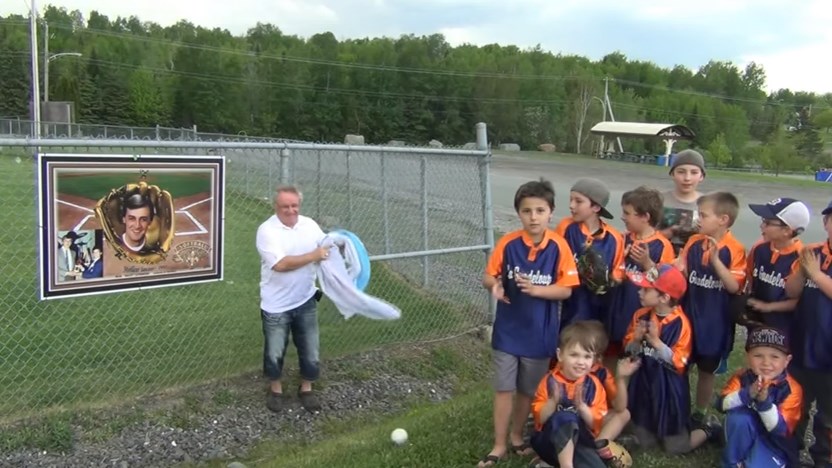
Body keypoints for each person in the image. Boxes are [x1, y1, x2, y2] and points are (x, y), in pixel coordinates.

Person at [478, 179, 579, 467]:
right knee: (503, 388)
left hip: (540, 334)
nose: (533, 217)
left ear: (551, 212)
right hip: (508, 332)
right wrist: (494, 286)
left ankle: (516, 436)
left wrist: (536, 290)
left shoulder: (559, 247)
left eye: (539, 210)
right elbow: (488, 276)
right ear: (518, 214)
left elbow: (567, 288)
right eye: (526, 211)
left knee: (527, 390)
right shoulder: (508, 243)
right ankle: (498, 445)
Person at [622, 264, 718, 454]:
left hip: (670, 390)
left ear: (665, 297)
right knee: (644, 441)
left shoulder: (680, 323)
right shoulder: (640, 315)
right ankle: (644, 430)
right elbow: (629, 352)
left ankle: (709, 429)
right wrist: (635, 339)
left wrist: (657, 343)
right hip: (644, 383)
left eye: (646, 289)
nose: (639, 292)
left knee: (675, 447)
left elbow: (679, 363)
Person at [256, 184, 330, 413]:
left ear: (300, 205)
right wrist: (314, 255)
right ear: (276, 206)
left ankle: (306, 388)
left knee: (310, 348)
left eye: (294, 205)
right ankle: (276, 390)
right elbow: (280, 264)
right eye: (285, 206)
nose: (291, 210)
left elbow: (326, 246)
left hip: (305, 299)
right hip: (275, 305)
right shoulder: (267, 230)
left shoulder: (310, 225)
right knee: (275, 350)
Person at [677, 191, 747, 425]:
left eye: (704, 215)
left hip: (715, 324)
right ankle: (678, 406)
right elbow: (682, 271)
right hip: (689, 317)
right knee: (681, 366)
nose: (698, 219)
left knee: (707, 371)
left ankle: (700, 412)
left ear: (723, 219)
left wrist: (716, 261)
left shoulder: (735, 248)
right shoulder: (694, 241)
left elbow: (734, 286)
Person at [605, 186, 674, 369]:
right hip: (615, 309)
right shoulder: (623, 238)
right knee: (610, 355)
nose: (623, 217)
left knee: (633, 359)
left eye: (628, 213)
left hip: (637, 313)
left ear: (645, 217)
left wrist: (647, 263)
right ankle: (609, 392)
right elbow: (613, 273)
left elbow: (666, 284)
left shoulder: (662, 245)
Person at [785, 199, 832, 466]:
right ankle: (790, 453)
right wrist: (803, 273)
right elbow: (791, 292)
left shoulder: (817, 266)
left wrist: (816, 275)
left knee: (827, 416)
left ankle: (823, 459)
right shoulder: (813, 252)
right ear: (825, 222)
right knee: (796, 405)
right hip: (803, 345)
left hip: (829, 355)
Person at [715, 326, 802, 467]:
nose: (766, 362)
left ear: (787, 360)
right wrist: (746, 394)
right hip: (745, 431)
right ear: (747, 357)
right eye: (758, 355)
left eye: (775, 356)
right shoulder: (741, 377)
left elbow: (780, 430)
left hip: (775, 444)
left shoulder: (793, 389)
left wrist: (764, 403)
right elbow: (720, 404)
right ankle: (731, 462)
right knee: (738, 418)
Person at [529, 321, 609, 468]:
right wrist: (552, 402)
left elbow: (596, 425)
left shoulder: (594, 385)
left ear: (593, 359)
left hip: (580, 444)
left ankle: (549, 464)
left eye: (587, 357)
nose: (581, 362)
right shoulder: (549, 381)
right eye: (574, 355)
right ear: (560, 355)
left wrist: (583, 407)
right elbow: (539, 418)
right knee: (565, 418)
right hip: (549, 442)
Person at [555, 178, 625, 326]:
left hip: (597, 311)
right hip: (566, 307)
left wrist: (602, 279)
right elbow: (553, 260)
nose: (571, 205)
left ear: (596, 207)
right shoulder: (566, 227)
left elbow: (617, 276)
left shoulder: (613, 238)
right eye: (571, 200)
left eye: (578, 201)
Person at [739, 197, 809, 339]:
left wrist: (768, 307)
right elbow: (751, 278)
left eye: (768, 222)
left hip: (783, 325)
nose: (762, 226)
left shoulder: (801, 257)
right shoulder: (759, 247)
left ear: (787, 231)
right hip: (757, 318)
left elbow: (799, 301)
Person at [657, 149, 706, 255]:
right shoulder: (658, 200)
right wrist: (670, 232)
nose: (687, 178)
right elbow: (644, 234)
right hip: (660, 257)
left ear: (701, 176)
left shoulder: (709, 204)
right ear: (672, 174)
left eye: (694, 172)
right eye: (681, 172)